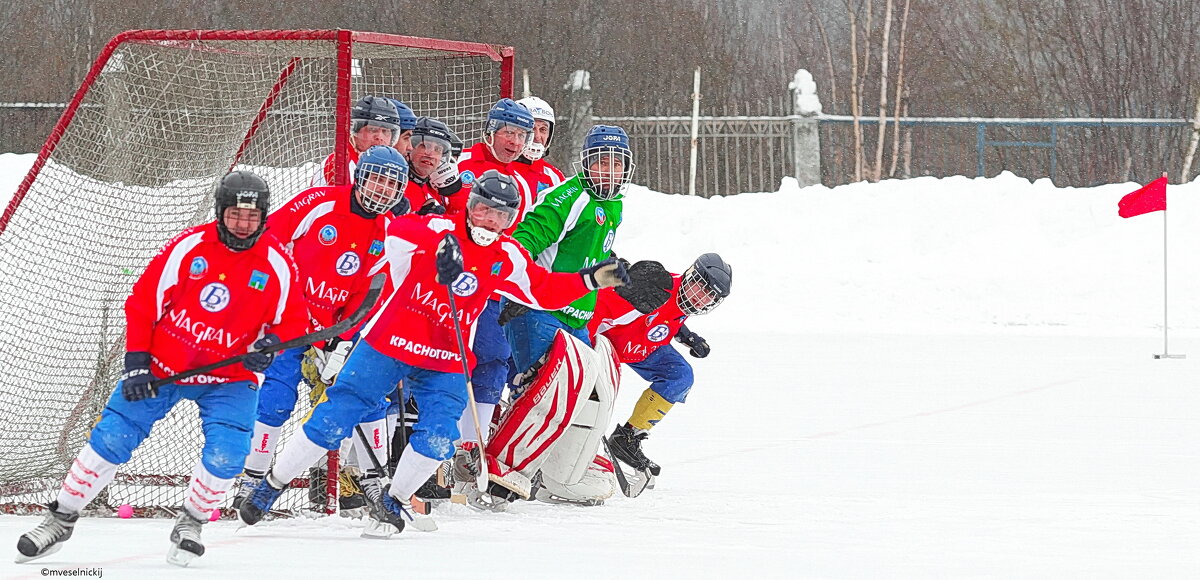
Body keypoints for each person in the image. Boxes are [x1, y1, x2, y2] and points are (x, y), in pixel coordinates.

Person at [237, 169, 628, 537]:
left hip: (446, 358)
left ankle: (393, 500)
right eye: (483, 209)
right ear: (472, 205)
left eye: (499, 215)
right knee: (335, 416)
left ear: (509, 221)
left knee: (440, 434)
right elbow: (396, 232)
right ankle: (270, 485)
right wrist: (439, 248)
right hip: (390, 343)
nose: (488, 220)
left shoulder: (506, 255)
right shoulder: (440, 229)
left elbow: (540, 289)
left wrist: (592, 279)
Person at [15, 171, 309, 567]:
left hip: (230, 378)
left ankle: (192, 523)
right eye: (235, 215)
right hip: (163, 368)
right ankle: (60, 518)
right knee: (112, 439)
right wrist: (137, 363)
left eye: (252, 217)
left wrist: (269, 347)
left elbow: (293, 323)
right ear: (221, 213)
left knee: (228, 455)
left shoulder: (277, 263)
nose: (243, 225)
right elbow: (142, 303)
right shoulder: (189, 248)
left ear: (264, 218)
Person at [468, 124, 636, 506]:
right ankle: (500, 470)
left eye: (615, 163)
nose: (607, 171)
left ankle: (554, 470)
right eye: (600, 162)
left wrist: (614, 269)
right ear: (587, 163)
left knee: (581, 397)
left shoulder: (614, 206)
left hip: (578, 314)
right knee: (543, 392)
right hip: (541, 310)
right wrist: (515, 287)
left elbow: (589, 254)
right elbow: (524, 240)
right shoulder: (567, 198)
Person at [234, 146, 409, 509]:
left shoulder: (390, 232)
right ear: (360, 176)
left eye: (392, 185)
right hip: (289, 321)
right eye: (376, 179)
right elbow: (267, 239)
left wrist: (341, 341)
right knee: (276, 397)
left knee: (367, 393)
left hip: (337, 328)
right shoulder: (318, 202)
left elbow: (371, 294)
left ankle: (373, 482)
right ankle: (251, 478)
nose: (382, 190)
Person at [589, 254, 732, 483]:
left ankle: (627, 438)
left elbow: (670, 320)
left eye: (710, 297)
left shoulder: (686, 303)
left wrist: (689, 338)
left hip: (643, 349)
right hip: (609, 347)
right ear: (690, 276)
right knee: (595, 399)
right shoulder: (658, 287)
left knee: (680, 376)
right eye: (702, 289)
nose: (702, 299)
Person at [310, 95, 407, 187]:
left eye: (385, 131)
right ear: (355, 131)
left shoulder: (393, 166)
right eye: (372, 129)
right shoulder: (338, 165)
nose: (379, 137)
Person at [402, 117, 463, 216]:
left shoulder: (432, 190)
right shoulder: (394, 184)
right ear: (410, 147)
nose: (430, 154)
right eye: (424, 145)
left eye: (438, 149)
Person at [514, 96, 566, 200]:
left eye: (543, 129)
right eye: (531, 129)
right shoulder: (499, 169)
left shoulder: (555, 177)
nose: (537, 137)